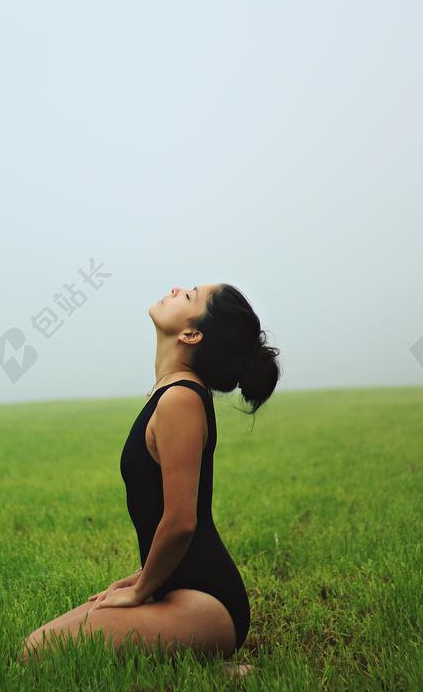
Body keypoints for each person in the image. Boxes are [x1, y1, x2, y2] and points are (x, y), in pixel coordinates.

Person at [21, 282, 281, 664]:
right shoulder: (171, 393)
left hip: (207, 601)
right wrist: (143, 577)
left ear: (192, 334)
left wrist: (142, 589)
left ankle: (218, 667)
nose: (176, 289)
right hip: (171, 585)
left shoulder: (180, 400)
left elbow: (180, 522)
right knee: (40, 642)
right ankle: (199, 663)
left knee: (40, 654)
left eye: (189, 295)